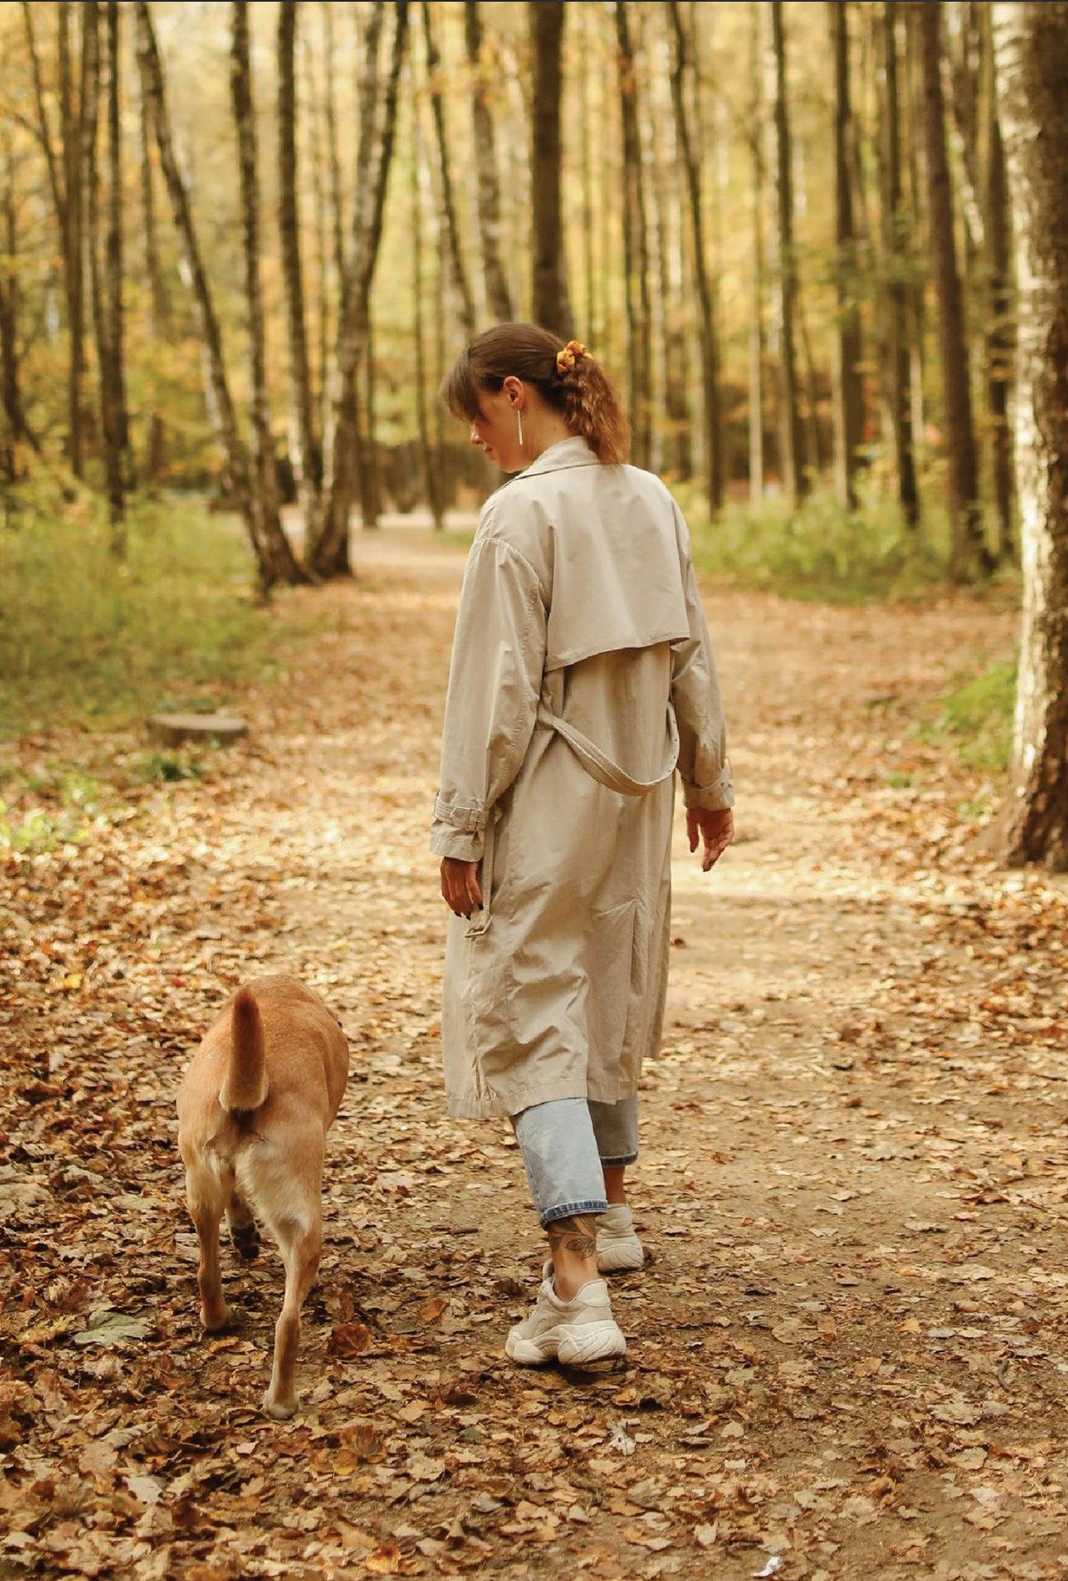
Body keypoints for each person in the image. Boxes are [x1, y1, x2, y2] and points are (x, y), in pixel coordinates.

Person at [430, 323, 733, 1367]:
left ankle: (574, 1288)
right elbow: (691, 651)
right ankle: (610, 1213)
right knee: (605, 982)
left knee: (528, 1004)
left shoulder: (520, 515)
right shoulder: (648, 497)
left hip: (553, 797)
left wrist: (459, 830)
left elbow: (494, 693)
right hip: (639, 792)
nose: (474, 439)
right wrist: (708, 784)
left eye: (474, 415)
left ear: (513, 395)